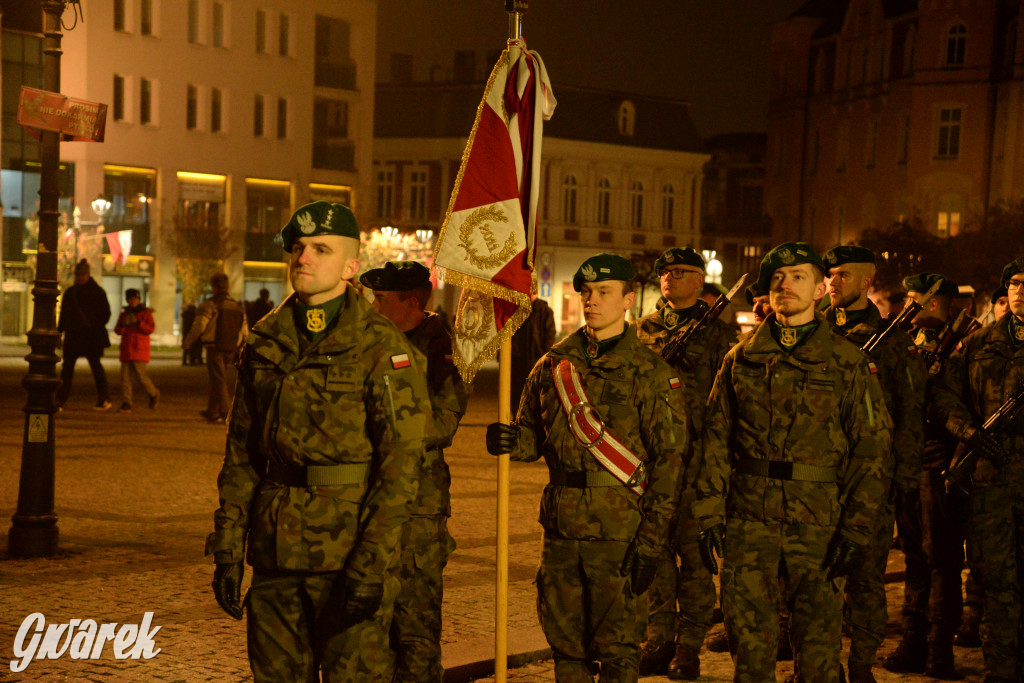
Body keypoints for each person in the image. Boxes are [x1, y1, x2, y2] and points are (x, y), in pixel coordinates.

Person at [205, 201, 433, 682]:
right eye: (299, 247)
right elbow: (242, 454)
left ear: (351, 267)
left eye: (321, 249)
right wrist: (228, 547)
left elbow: (401, 469)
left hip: (347, 556)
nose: (303, 258)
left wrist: (371, 564)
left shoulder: (383, 347)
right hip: (275, 555)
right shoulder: (265, 340)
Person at [694, 242, 892, 683]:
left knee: (819, 648)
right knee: (750, 647)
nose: (785, 286)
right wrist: (708, 514)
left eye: (798, 276)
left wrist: (857, 528)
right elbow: (716, 442)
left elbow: (872, 449)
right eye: (778, 279)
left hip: (818, 521)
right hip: (748, 521)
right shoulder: (741, 360)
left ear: (822, 287)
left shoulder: (847, 363)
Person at [486, 253, 687, 682]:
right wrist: (508, 442)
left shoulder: (651, 372)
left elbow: (669, 464)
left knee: (618, 650)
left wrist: (651, 544)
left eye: (604, 293)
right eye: (587, 293)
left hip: (620, 532)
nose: (592, 301)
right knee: (566, 646)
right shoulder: (553, 365)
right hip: (561, 532)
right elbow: (531, 438)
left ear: (628, 300)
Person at [360, 260, 471, 682]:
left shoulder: (444, 347)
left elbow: (442, 424)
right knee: (365, 628)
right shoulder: (366, 343)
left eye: (381, 299)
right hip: (366, 499)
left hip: (416, 508)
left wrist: (375, 424)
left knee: (415, 628)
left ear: (410, 302)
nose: (372, 306)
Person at [822, 245, 925, 683]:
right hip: (817, 481)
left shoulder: (895, 344)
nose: (832, 283)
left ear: (866, 282)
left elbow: (910, 416)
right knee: (816, 583)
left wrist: (901, 480)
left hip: (870, 482)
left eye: (843, 275)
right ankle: (819, 665)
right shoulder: (812, 334)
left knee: (866, 580)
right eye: (829, 275)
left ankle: (861, 664)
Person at [634, 247, 738, 679]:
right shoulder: (643, 330)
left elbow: (727, 404)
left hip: (696, 461)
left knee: (695, 561)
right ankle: (659, 639)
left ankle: (689, 648)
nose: (668, 278)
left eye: (680, 272)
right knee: (655, 555)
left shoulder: (718, 335)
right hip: (653, 460)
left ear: (699, 280)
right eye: (665, 272)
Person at [932, 256, 1024, 683]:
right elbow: (946, 396)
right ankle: (1001, 669)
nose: (1021, 291)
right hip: (991, 480)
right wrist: (968, 432)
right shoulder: (977, 344)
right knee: (995, 579)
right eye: (1015, 284)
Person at [884, 273, 966, 678]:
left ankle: (939, 648)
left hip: (942, 464)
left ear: (934, 304)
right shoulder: (905, 343)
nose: (906, 309)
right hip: (909, 460)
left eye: (914, 301)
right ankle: (913, 639)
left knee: (942, 558)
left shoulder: (967, 345)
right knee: (915, 557)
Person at [183, 272, 248, 424]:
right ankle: (212, 411)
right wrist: (241, 346)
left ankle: (226, 413)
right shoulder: (238, 307)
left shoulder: (210, 304)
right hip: (231, 347)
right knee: (217, 379)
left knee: (219, 380)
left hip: (214, 347)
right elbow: (245, 331)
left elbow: (199, 325)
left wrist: (189, 341)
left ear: (214, 287)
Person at [55, 259, 112, 411]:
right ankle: (61, 399)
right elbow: (64, 315)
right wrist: (59, 331)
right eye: (78, 275)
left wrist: (93, 324)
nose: (79, 277)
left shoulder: (87, 292)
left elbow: (105, 314)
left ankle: (103, 398)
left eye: (82, 274)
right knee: (69, 370)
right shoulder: (79, 292)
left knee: (90, 368)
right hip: (80, 336)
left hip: (87, 336)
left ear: (87, 274)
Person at [113, 288, 160, 413]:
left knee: (141, 376)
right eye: (130, 299)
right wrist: (123, 324)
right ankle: (126, 403)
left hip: (140, 349)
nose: (132, 301)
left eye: (134, 298)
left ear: (139, 299)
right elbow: (118, 331)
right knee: (125, 378)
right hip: (127, 349)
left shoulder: (145, 313)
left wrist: (139, 323)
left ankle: (153, 393)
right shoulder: (124, 314)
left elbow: (150, 329)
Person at [510, 292, 556, 409]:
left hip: (535, 359)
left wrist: (544, 355)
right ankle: (516, 417)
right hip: (518, 360)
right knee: (516, 392)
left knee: (533, 392)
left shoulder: (544, 310)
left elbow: (549, 335)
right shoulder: (517, 309)